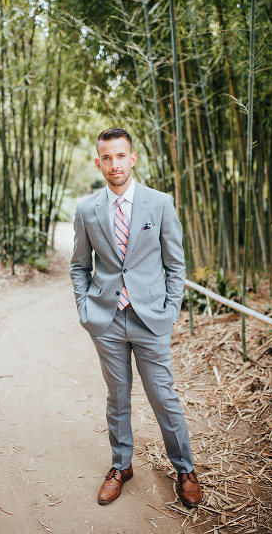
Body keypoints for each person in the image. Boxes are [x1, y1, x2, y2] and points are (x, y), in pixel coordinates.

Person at [69, 127, 202, 508]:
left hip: (150, 319)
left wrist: (170, 311)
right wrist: (85, 307)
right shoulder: (87, 209)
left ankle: (185, 468)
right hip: (106, 319)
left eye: (121, 156)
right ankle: (120, 466)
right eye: (106, 158)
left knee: (163, 396)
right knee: (118, 397)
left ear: (133, 158)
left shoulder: (159, 203)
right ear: (98, 162)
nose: (115, 164)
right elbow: (80, 266)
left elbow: (175, 264)